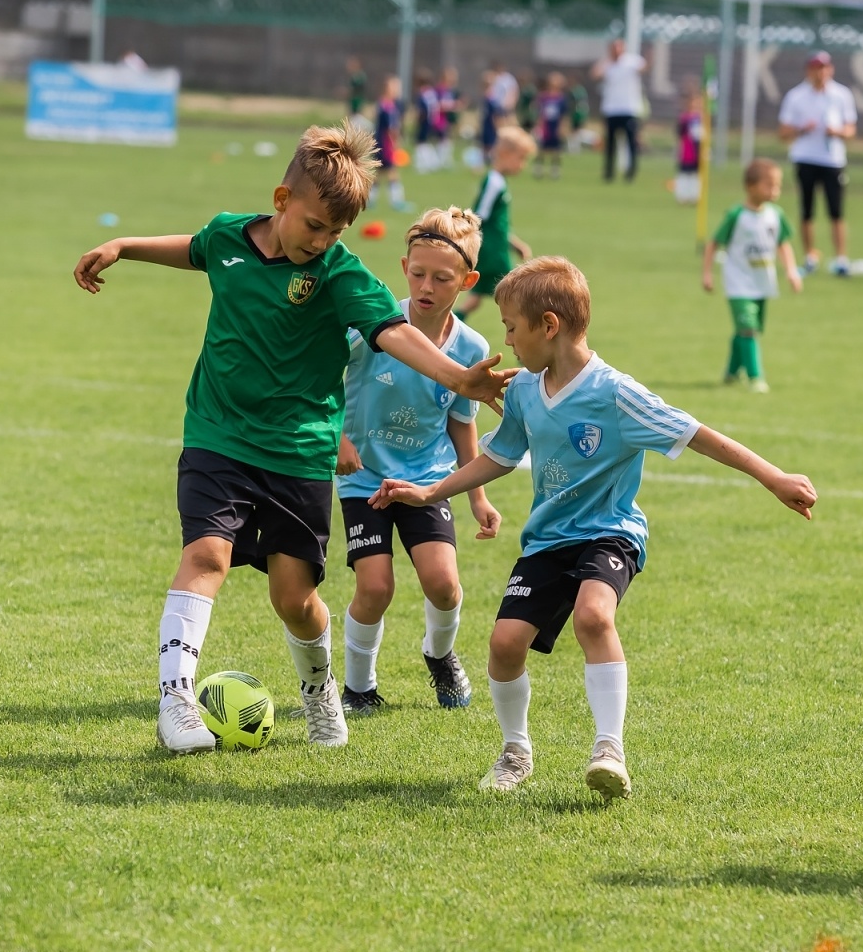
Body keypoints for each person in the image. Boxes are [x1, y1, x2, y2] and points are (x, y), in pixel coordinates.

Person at [70, 121, 513, 754]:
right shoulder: (229, 235)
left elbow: (393, 333)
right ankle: (175, 704)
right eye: (315, 226)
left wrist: (457, 380)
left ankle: (319, 690)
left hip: (300, 452)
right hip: (217, 435)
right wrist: (124, 246)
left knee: (295, 598)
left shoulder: (339, 273)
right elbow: (195, 249)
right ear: (282, 202)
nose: (324, 241)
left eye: (337, 232)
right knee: (206, 557)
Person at [373, 256, 817, 799]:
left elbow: (697, 434)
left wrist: (772, 477)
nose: (507, 340)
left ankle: (610, 749)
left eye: (513, 327)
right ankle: (516, 751)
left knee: (593, 615)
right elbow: (499, 456)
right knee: (505, 644)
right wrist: (431, 491)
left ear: (549, 325)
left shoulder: (616, 393)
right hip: (548, 538)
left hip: (610, 532)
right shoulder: (524, 390)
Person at [336, 208, 500, 713]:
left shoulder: (471, 347)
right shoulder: (373, 326)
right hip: (363, 479)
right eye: (417, 273)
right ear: (404, 265)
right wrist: (338, 438)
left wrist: (478, 496)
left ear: (468, 281)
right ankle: (358, 688)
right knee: (376, 586)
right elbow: (324, 380)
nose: (427, 286)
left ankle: (441, 654)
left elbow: (461, 421)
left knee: (445, 585)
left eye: (443, 278)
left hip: (429, 480)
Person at [702, 158, 804, 393]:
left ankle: (731, 372)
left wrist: (791, 271)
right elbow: (713, 243)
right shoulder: (737, 215)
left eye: (777, 185)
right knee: (749, 328)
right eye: (769, 185)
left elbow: (783, 244)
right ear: (750, 186)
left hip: (762, 281)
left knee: (750, 329)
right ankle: (756, 377)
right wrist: (707, 274)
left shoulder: (775, 215)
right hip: (738, 282)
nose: (775, 190)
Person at [778, 51, 858, 276]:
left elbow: (851, 129)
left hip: (832, 159)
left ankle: (841, 258)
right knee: (807, 210)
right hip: (805, 157)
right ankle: (809, 256)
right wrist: (802, 129)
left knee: (836, 211)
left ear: (830, 69)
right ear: (808, 70)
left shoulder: (841, 95)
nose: (820, 72)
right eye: (816, 67)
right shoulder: (796, 96)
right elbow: (783, 131)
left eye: (824, 67)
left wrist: (838, 132)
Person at [457, 127, 535, 323]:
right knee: (515, 296)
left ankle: (445, 326)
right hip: (493, 253)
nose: (522, 165)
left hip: (493, 248)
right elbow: (479, 216)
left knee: (474, 300)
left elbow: (495, 224)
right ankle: (527, 345)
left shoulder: (498, 181)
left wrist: (514, 243)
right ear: (505, 154)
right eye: (521, 158)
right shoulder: (494, 182)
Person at [592, 39, 647, 183]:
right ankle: (609, 172)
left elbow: (644, 68)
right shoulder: (607, 64)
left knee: (631, 142)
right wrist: (607, 61)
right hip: (611, 109)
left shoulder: (632, 61)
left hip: (629, 109)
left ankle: (631, 172)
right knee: (610, 143)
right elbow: (595, 75)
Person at [372, 75, 410, 210]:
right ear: (388, 88)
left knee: (379, 172)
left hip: (381, 142)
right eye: (395, 87)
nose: (398, 90)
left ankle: (369, 200)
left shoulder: (386, 104)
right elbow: (390, 128)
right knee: (392, 171)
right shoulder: (387, 106)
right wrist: (395, 143)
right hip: (385, 144)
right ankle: (397, 202)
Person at [533, 73, 570, 180]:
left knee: (556, 150)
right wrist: (538, 126)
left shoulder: (561, 99)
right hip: (545, 125)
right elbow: (539, 113)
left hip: (556, 125)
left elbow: (564, 115)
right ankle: (538, 169)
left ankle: (555, 170)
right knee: (541, 149)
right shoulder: (543, 97)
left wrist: (563, 127)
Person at [674, 91, 704, 204]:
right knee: (684, 174)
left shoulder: (701, 119)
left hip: (698, 152)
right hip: (687, 151)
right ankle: (682, 196)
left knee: (696, 175)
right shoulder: (684, 119)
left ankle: (695, 196)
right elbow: (680, 136)